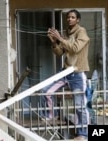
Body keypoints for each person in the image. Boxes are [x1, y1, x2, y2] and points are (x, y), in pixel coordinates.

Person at [40, 9, 90, 140]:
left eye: (73, 17)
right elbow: (59, 53)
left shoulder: (82, 32)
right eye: (68, 17)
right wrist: (54, 42)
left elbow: (75, 48)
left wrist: (60, 38)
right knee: (46, 91)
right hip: (66, 72)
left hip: (78, 73)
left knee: (80, 106)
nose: (69, 19)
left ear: (78, 20)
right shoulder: (67, 34)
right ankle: (51, 116)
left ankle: (82, 135)